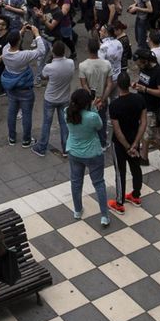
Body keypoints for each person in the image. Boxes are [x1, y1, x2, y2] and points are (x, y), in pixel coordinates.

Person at [64, 88, 110, 227]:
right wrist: (94, 109)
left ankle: (77, 210)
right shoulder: (92, 116)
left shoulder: (67, 112)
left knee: (76, 182)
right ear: (86, 103)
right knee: (99, 183)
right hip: (92, 153)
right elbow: (99, 126)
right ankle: (104, 216)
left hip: (74, 152)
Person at [107, 72, 147, 214]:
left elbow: (117, 130)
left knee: (120, 172)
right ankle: (136, 196)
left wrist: (127, 147)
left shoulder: (114, 105)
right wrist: (135, 144)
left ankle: (119, 203)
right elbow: (143, 123)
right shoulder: (139, 99)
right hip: (135, 139)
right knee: (136, 168)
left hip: (119, 144)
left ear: (118, 85)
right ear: (130, 84)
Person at [32, 39, 73, 158]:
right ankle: (66, 148)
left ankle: (42, 147)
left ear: (53, 52)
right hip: (64, 98)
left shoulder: (49, 67)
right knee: (64, 124)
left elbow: (43, 76)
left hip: (50, 99)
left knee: (46, 123)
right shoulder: (70, 63)